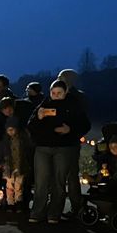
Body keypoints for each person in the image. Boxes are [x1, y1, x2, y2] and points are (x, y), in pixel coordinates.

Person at [27, 80, 90, 223]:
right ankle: (37, 212)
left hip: (64, 147)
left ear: (65, 92)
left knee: (58, 180)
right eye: (53, 93)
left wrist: (70, 130)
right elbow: (30, 126)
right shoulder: (44, 104)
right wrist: (38, 117)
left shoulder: (73, 105)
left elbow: (85, 124)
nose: (55, 96)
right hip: (43, 147)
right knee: (41, 181)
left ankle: (54, 213)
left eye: (59, 93)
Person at [0, 116, 30, 211]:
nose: (10, 132)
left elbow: (26, 153)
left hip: (19, 167)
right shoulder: (5, 142)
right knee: (9, 187)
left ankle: (18, 202)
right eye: (8, 130)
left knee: (19, 186)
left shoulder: (22, 141)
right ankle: (10, 203)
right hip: (8, 168)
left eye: (12, 129)